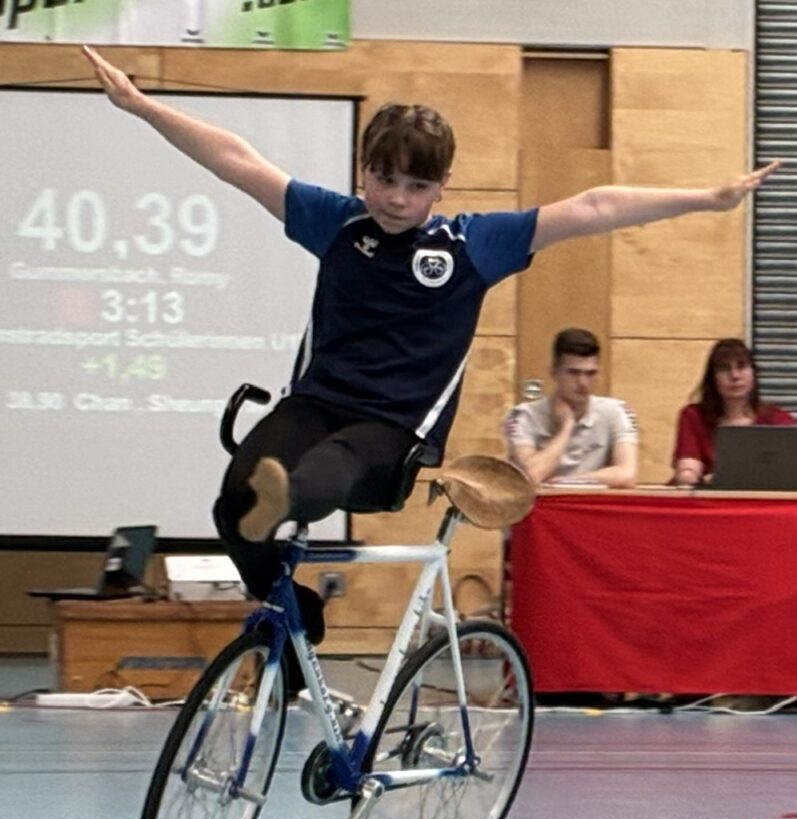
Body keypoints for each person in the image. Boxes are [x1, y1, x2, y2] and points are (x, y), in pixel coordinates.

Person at [82, 45, 779, 639]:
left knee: (321, 472)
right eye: (384, 180)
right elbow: (237, 161)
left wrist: (705, 198)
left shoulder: (472, 245)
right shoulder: (336, 223)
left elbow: (593, 206)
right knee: (233, 502)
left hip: (394, 433)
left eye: (416, 186)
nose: (395, 198)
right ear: (363, 170)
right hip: (315, 403)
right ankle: (292, 609)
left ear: (441, 187)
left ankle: (285, 501)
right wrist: (142, 106)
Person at [503, 327, 638, 488]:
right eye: (573, 373)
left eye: (590, 374)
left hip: (592, 502)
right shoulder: (522, 415)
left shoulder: (616, 412)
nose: (583, 383)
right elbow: (531, 476)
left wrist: (570, 481)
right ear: (554, 372)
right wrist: (566, 427)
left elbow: (626, 475)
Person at [672, 337, 795, 486]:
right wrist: (702, 479)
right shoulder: (694, 416)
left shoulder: (778, 419)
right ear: (712, 378)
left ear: (753, 374)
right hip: (710, 498)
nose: (735, 376)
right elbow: (687, 472)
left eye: (741, 367)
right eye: (724, 369)